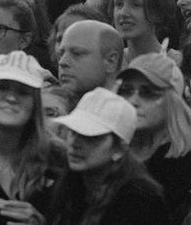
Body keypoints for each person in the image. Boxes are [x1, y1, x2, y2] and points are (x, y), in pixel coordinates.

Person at [47, 86, 165, 224]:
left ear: (119, 148)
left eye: (90, 137)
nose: (75, 143)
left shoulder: (140, 201)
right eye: (73, 132)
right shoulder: (71, 182)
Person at [0, 51, 65, 220]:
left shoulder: (58, 158)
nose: (11, 98)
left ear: (35, 103)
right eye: (2, 87)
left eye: (23, 92)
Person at [116, 52, 191, 217]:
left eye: (147, 92)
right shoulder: (111, 154)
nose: (132, 101)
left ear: (172, 101)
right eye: (126, 91)